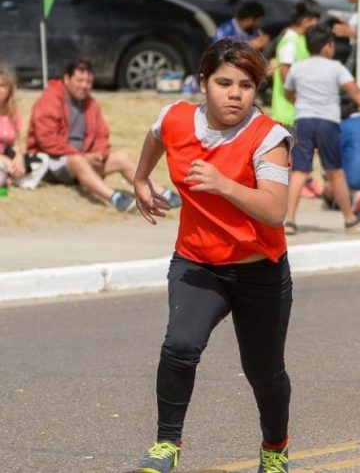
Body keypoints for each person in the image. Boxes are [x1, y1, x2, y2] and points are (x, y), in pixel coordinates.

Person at [130, 40, 296, 473]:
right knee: (180, 345)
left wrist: (224, 184)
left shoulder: (269, 137)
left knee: (264, 372)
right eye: (224, 83)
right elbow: (157, 134)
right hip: (198, 263)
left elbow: (275, 211)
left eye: (246, 84)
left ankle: (274, 450)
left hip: (260, 271)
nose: (235, 93)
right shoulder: (178, 118)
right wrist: (140, 178)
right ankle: (167, 443)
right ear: (203, 83)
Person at [26, 59, 179, 212]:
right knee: (77, 161)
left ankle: (160, 193)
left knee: (122, 157)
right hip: (51, 163)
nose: (84, 86)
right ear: (66, 79)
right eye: (80, 80)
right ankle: (115, 198)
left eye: (88, 81)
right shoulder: (49, 99)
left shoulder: (91, 103)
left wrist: (99, 153)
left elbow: (101, 135)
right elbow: (47, 140)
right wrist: (83, 156)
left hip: (84, 160)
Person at [282, 25, 360, 234]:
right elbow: (354, 91)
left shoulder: (297, 68)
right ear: (328, 46)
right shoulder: (336, 68)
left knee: (299, 171)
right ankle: (349, 218)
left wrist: (301, 102)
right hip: (327, 122)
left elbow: (288, 93)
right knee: (335, 171)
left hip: (303, 120)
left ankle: (290, 221)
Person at [271, 0, 321, 127]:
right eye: (316, 20)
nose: (317, 24)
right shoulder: (290, 43)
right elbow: (285, 74)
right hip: (289, 115)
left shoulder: (301, 39)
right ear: (306, 21)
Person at [0, 63, 25, 190]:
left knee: (42, 161)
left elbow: (16, 144)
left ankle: (12, 179)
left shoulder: (13, 111)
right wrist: (4, 160)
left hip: (7, 156)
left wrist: (18, 158)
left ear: (10, 88)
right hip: (1, 159)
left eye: (2, 86)